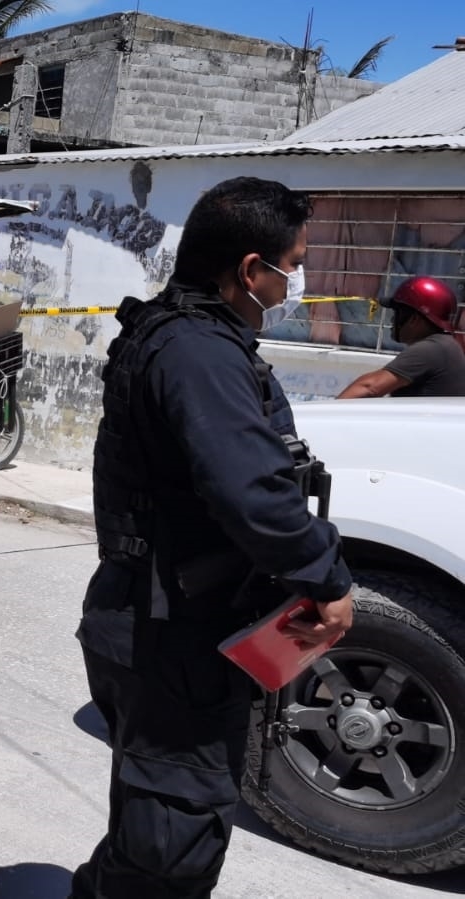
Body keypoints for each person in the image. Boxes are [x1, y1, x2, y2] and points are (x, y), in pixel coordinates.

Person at [71, 177, 354, 899]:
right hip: (171, 634)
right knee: (172, 839)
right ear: (250, 269)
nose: (297, 279)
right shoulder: (197, 352)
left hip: (163, 620)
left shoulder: (186, 334)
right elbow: (250, 490)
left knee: (153, 814)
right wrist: (325, 577)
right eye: (292, 264)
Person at [336, 276, 465, 398]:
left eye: (398, 313)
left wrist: (324, 416)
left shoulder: (431, 349)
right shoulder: (445, 345)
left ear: (414, 319)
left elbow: (369, 387)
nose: (392, 319)